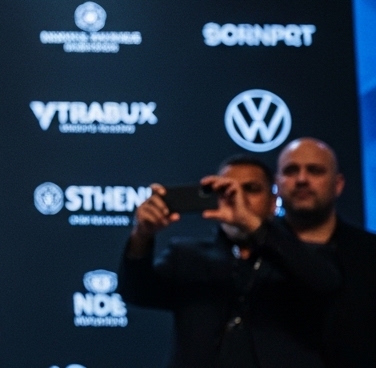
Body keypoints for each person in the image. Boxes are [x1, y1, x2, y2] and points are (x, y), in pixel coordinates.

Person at [118, 154, 340, 368]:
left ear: (273, 202)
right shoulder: (187, 255)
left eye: (251, 190)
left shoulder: (301, 255)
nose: (238, 199)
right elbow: (136, 291)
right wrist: (142, 235)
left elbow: (326, 286)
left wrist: (255, 227)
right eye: (226, 190)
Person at [275, 138, 376, 366]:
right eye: (291, 171)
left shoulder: (370, 255)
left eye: (315, 171)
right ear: (277, 184)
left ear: (338, 184)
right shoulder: (255, 253)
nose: (302, 179)